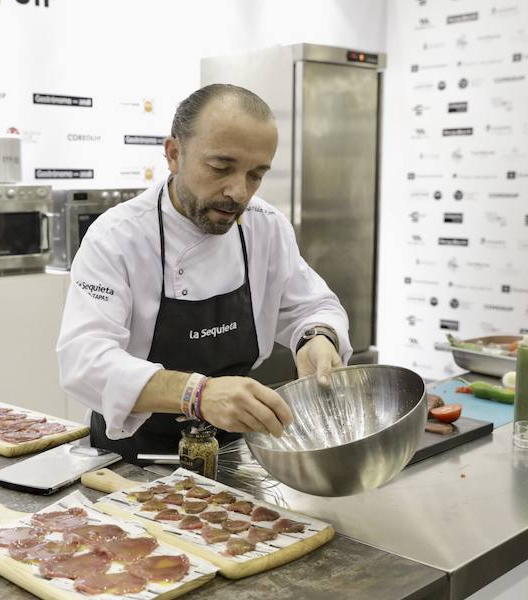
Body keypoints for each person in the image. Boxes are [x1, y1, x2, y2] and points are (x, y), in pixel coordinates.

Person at [57, 83, 352, 462]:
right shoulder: (116, 237)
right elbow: (84, 360)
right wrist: (197, 394)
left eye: (256, 175)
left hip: (233, 452)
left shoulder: (266, 226)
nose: (239, 192)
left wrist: (317, 338)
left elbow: (310, 305)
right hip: (131, 459)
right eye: (221, 167)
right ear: (174, 153)